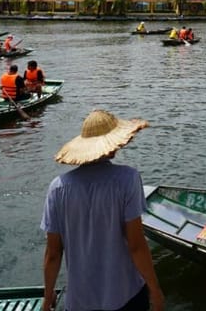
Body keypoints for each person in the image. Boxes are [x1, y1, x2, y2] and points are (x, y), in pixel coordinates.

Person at [41, 109, 165, 311]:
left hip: (79, 301)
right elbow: (136, 245)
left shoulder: (58, 187)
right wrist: (155, 290)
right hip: (125, 296)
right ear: (113, 144)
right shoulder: (127, 179)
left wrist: (48, 296)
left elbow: (53, 253)